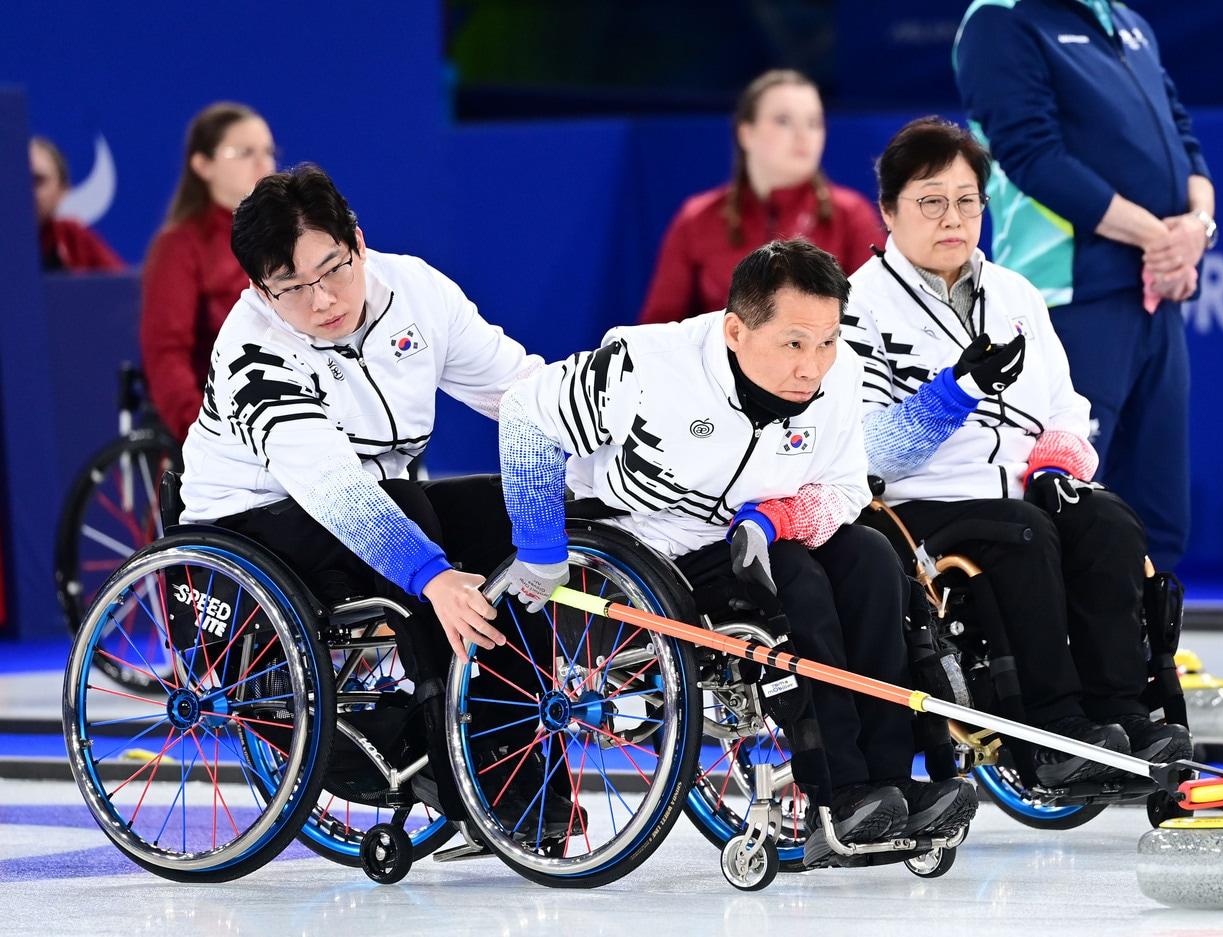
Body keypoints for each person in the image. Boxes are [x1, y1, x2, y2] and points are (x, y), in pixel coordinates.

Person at [499, 238, 977, 866]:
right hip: (648, 540)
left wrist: (777, 518)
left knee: (871, 558)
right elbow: (525, 413)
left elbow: (846, 488)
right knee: (797, 580)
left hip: (756, 533)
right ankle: (839, 792)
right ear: (735, 331)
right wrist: (538, 543)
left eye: (828, 341)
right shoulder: (647, 367)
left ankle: (890, 783)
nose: (813, 366)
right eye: (794, 343)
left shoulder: (838, 378)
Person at [178, 163, 543, 823]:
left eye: (333, 269)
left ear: (359, 243)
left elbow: (522, 392)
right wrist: (433, 577)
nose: (322, 299)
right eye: (293, 287)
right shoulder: (253, 353)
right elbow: (334, 489)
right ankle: (460, 776)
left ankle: (522, 763)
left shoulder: (417, 291)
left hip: (382, 501)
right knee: (410, 513)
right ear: (260, 289)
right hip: (246, 533)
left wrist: (605, 452)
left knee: (503, 508)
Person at [841, 117, 1191, 785]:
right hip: (921, 505)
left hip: (1022, 490)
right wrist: (954, 392)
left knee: (1108, 521)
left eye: (967, 200)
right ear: (888, 210)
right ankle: (1052, 729)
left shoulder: (1016, 293)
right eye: (931, 201)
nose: (953, 218)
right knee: (1023, 532)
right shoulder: (860, 305)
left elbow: (1067, 405)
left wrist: (1058, 463)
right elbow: (868, 449)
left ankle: (1124, 712)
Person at [953, 0, 1217, 571]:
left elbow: (1185, 140)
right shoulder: (1000, 19)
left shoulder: (1127, 21)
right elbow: (1031, 155)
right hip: (1070, 300)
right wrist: (1159, 238)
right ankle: (1072, 635)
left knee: (1160, 509)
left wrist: (1197, 228)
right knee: (1074, 507)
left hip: (1154, 297)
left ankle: (1157, 633)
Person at [637, 70, 885, 325]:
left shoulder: (850, 214)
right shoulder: (698, 218)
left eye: (814, 123)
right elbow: (657, 330)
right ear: (746, 133)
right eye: (783, 120)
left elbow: (878, 320)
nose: (803, 135)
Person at [140, 102, 278, 440]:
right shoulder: (179, 246)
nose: (263, 164)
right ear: (203, 165)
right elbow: (167, 353)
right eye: (244, 152)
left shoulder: (291, 237)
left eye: (268, 152)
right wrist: (203, 431)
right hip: (225, 420)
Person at [30, 136, 123, 272]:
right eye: (18, 179)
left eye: (38, 180)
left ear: (62, 190)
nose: (27, 189)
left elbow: (119, 281)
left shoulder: (72, 239)